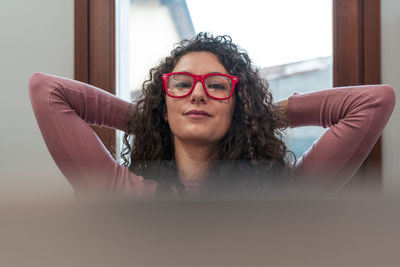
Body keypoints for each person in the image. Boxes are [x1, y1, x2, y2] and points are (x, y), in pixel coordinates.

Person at [29, 33, 395, 199]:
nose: (199, 92)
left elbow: (374, 102)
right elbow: (47, 91)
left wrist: (258, 115)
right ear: (164, 101)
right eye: (182, 84)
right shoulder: (124, 196)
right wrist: (151, 119)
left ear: (238, 104)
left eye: (218, 86)